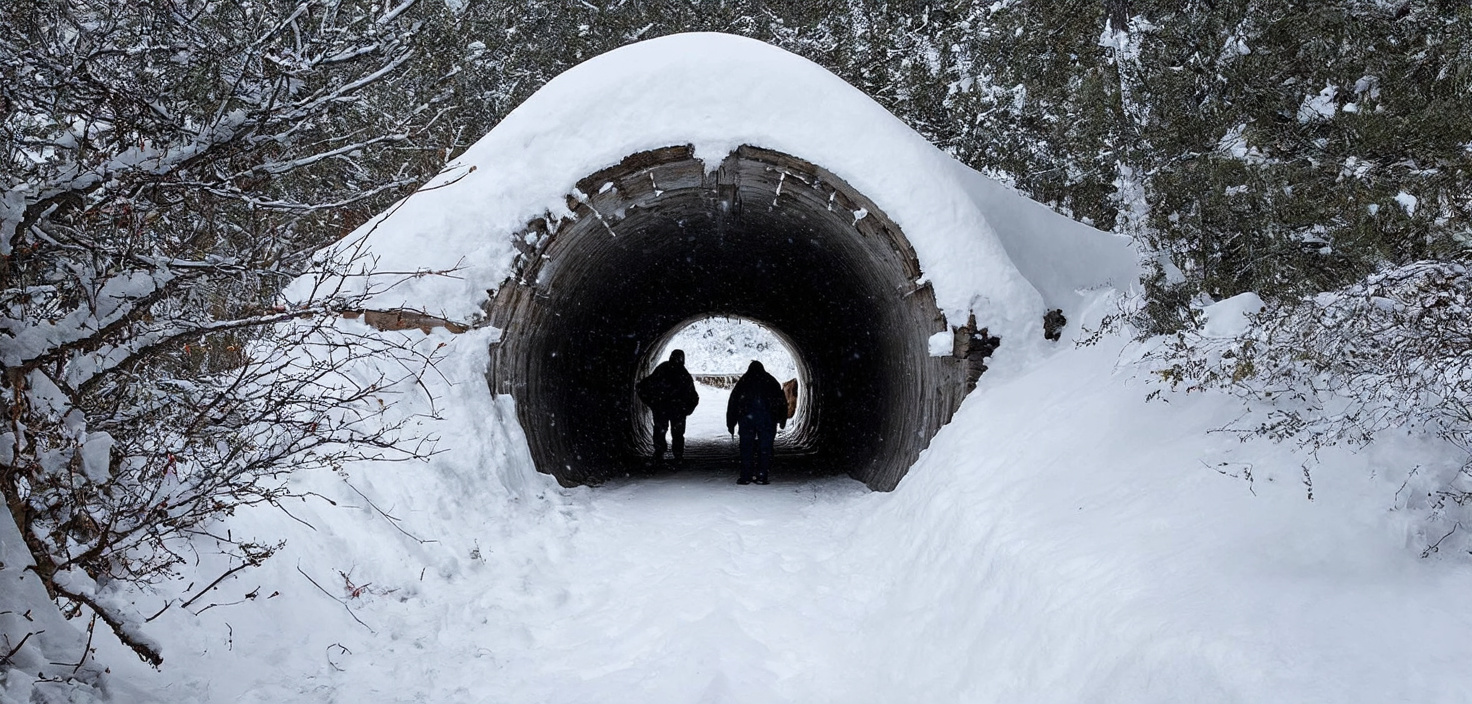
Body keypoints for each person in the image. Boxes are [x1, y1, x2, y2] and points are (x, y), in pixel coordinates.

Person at [726, 360, 789, 485]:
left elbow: (733, 402)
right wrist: (781, 418)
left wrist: (731, 422)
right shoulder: (771, 381)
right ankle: (762, 475)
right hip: (767, 420)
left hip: (746, 421)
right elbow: (781, 401)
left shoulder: (743, 382)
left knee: (746, 448)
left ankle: (745, 476)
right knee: (765, 448)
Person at [636, 349, 699, 465]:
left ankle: (661, 453)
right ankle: (676, 455)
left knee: (662, 431)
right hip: (673, 410)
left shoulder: (664, 370)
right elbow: (693, 396)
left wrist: (652, 402)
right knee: (675, 433)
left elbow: (642, 386)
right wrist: (685, 409)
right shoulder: (682, 374)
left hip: (663, 409)